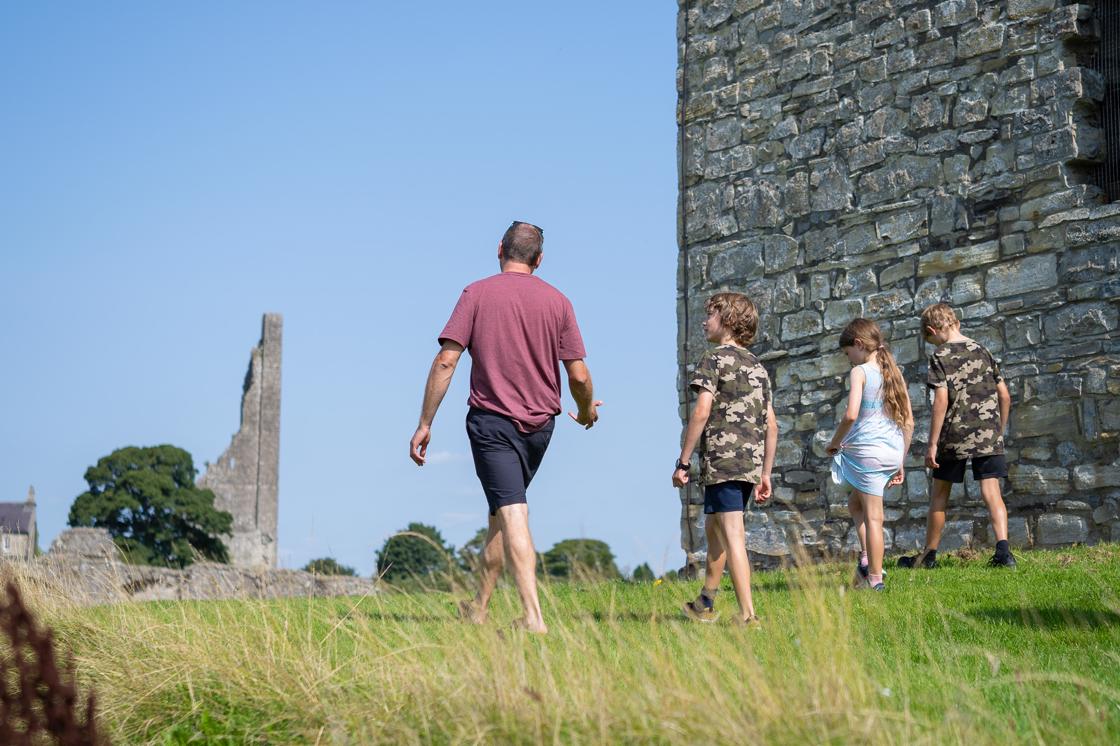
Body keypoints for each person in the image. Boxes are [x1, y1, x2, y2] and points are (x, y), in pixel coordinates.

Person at [409, 220, 601, 634]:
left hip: (493, 424)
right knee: (500, 510)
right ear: (539, 259)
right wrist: (586, 412)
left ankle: (533, 617)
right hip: (542, 428)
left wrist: (425, 422)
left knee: (513, 513)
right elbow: (580, 376)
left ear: (499, 248)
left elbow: (446, 360)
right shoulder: (559, 302)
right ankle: (478, 607)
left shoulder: (476, 293)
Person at [673, 292, 777, 625]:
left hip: (723, 462)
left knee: (732, 533)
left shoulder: (713, 359)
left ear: (728, 321)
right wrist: (766, 473)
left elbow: (702, 411)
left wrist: (683, 460)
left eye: (711, 315)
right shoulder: (759, 368)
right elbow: (771, 424)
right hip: (749, 464)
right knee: (715, 527)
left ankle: (748, 615)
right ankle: (705, 602)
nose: (704, 321)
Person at [898, 303, 1015, 569]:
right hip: (989, 435)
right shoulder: (982, 350)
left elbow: (941, 400)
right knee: (991, 490)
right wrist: (998, 430)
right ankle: (1004, 553)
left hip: (954, 435)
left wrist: (932, 443)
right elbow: (1005, 395)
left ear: (931, 330)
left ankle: (928, 556)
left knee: (940, 494)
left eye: (930, 340)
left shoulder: (940, 356)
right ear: (957, 323)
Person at [826, 318, 914, 591]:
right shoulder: (893, 372)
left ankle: (875, 577)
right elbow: (909, 422)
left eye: (847, 353)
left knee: (874, 517)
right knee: (855, 504)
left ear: (858, 344)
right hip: (891, 452)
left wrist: (834, 443)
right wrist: (901, 461)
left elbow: (851, 414)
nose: (848, 359)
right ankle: (867, 559)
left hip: (868, 452)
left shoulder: (861, 372)